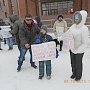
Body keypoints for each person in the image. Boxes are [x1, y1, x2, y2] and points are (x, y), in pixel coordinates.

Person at [68, 10, 89, 81]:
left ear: (82, 18)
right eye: (75, 18)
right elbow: (68, 34)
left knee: (78, 63)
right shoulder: (73, 26)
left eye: (77, 18)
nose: (76, 20)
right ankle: (74, 73)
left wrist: (77, 50)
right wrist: (61, 38)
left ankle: (78, 75)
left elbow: (85, 43)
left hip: (79, 50)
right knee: (72, 62)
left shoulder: (84, 29)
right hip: (72, 48)